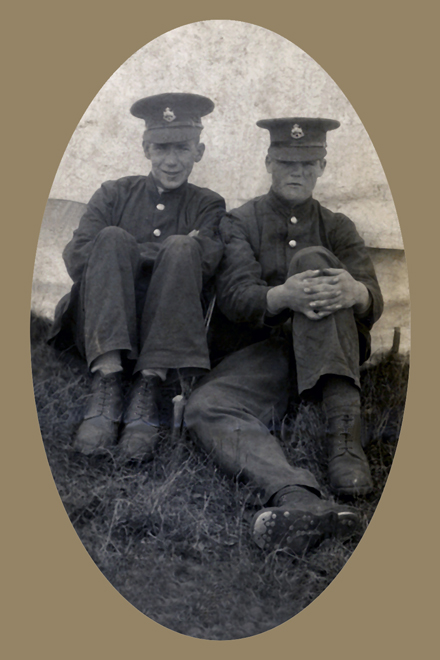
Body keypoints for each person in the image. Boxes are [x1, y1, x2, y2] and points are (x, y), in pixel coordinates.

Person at [185, 116, 384, 554]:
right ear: (268, 162)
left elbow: (374, 300)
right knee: (205, 408)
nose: (297, 172)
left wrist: (357, 292)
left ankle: (343, 434)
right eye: (286, 162)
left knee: (316, 259)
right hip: (268, 351)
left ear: (323, 167)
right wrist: (283, 296)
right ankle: (298, 497)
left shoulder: (338, 225)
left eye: (308, 164)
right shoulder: (240, 221)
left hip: (332, 347)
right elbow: (236, 295)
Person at [49, 93, 225, 460]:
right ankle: (107, 383)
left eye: (182, 148)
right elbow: (78, 257)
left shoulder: (208, 204)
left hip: (165, 331)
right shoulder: (113, 193)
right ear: (146, 149)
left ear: (200, 151)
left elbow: (206, 263)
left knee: (182, 249)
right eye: (161, 148)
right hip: (102, 324)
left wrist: (148, 253)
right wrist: (136, 251)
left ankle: (148, 388)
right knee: (112, 238)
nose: (171, 161)